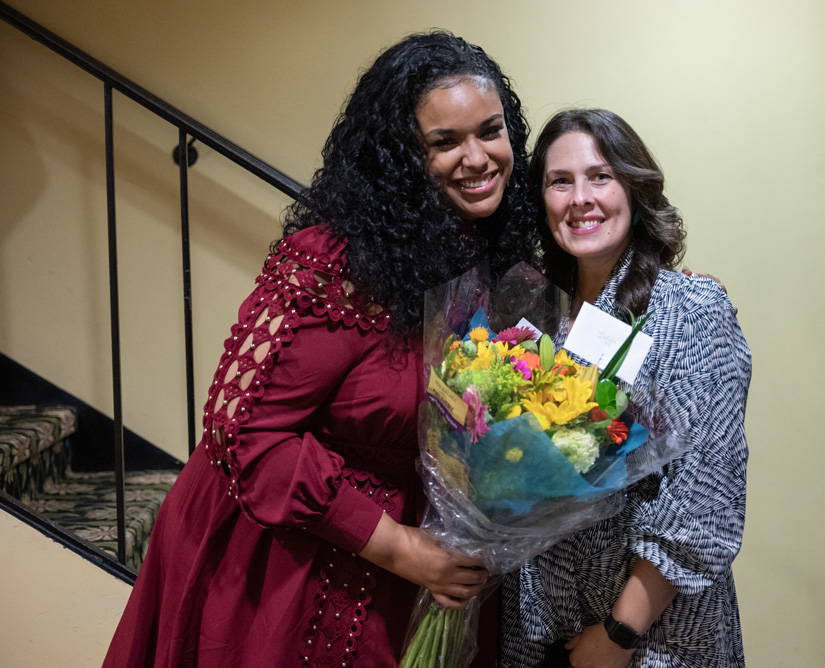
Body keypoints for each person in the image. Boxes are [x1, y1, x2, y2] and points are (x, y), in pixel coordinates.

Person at [103, 31, 540, 668]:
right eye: (445, 142)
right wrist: (399, 548)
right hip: (301, 564)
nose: (477, 158)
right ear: (401, 157)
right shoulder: (335, 262)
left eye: (490, 131)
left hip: (432, 564)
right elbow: (245, 432)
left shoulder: (495, 263)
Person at [501, 109, 751, 668]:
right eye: (559, 181)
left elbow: (705, 498)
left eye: (601, 176)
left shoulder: (689, 310)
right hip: (538, 630)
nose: (580, 198)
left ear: (634, 190)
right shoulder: (530, 320)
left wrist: (619, 633)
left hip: (651, 641)